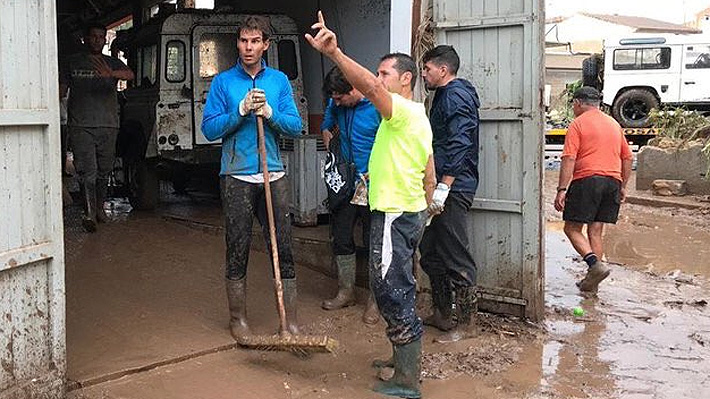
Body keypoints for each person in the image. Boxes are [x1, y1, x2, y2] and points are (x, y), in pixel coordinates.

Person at [307, 11, 436, 399]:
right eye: (378, 74)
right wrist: (427, 208)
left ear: (405, 79)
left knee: (391, 290)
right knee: (395, 285)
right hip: (404, 210)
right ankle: (400, 362)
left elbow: (370, 89)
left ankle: (407, 381)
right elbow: (429, 167)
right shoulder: (414, 117)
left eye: (384, 74)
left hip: (394, 213)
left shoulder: (399, 112)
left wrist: (335, 53)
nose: (378, 81)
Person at [201, 16, 303, 342]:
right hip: (236, 174)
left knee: (283, 245)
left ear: (265, 45)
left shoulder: (278, 81)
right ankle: (238, 319)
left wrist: (270, 113)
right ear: (238, 44)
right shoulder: (223, 83)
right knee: (238, 245)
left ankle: (290, 321)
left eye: (255, 41)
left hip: (273, 173)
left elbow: (295, 125)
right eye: (244, 41)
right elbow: (210, 128)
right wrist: (241, 110)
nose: (249, 47)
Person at [419, 45, 481, 343]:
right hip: (439, 186)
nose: (424, 73)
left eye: (427, 68)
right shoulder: (443, 96)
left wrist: (444, 186)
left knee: (455, 253)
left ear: (442, 70)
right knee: (431, 251)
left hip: (453, 187)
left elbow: (460, 142)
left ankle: (467, 325)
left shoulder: (455, 95)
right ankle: (442, 314)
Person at [554, 86, 633, 293]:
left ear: (578, 103)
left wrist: (562, 189)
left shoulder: (578, 124)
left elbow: (569, 158)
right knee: (595, 231)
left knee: (571, 228)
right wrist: (622, 186)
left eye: (573, 105)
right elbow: (628, 158)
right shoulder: (614, 124)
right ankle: (593, 283)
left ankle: (593, 264)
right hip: (612, 182)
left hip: (588, 180)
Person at [320, 66, 381, 324]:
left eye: (339, 98)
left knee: (374, 242)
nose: (335, 103)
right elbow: (326, 125)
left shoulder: (379, 105)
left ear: (354, 89)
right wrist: (332, 149)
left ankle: (375, 301)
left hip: (375, 184)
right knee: (342, 237)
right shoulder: (337, 105)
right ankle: (346, 292)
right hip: (345, 185)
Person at [60, 23, 134, 232]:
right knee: (87, 172)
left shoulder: (112, 62)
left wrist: (110, 74)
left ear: (104, 40)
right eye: (93, 36)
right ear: (85, 38)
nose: (97, 40)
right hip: (81, 125)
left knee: (104, 170)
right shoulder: (72, 62)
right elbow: (61, 90)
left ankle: (99, 208)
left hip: (109, 125)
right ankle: (89, 213)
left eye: (101, 37)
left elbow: (130, 75)